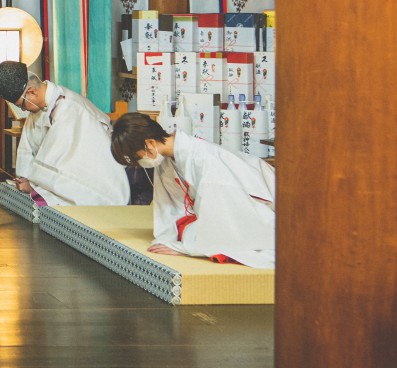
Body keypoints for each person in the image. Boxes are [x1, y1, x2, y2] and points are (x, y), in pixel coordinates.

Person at [110, 111, 277, 268]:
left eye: (137, 159)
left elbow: (224, 213)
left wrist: (185, 247)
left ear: (150, 144)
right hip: (223, 209)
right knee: (185, 231)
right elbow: (170, 210)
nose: (139, 165)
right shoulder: (166, 159)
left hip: (261, 208)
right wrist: (173, 237)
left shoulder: (205, 158)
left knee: (208, 237)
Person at [0, 62, 131, 207]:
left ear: (32, 92)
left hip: (99, 176)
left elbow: (62, 158)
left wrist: (33, 184)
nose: (23, 110)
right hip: (65, 176)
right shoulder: (38, 108)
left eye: (21, 105)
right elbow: (28, 149)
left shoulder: (69, 108)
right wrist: (25, 178)